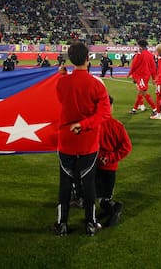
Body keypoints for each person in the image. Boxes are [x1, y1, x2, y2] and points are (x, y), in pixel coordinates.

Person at [53, 42, 111, 237]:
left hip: (66, 140)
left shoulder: (61, 83)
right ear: (88, 59)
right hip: (88, 141)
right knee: (88, 183)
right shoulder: (96, 84)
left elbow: (64, 97)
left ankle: (61, 224)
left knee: (65, 183)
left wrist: (64, 76)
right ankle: (90, 224)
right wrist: (84, 124)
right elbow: (104, 113)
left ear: (70, 59)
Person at [96, 95, 132, 227]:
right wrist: (111, 158)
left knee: (100, 196)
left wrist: (101, 157)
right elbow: (127, 147)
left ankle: (116, 209)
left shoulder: (94, 125)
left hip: (96, 165)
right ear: (110, 107)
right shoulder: (117, 126)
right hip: (110, 167)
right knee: (103, 195)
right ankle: (107, 211)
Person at [127, 39, 156, 115]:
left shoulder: (140, 54)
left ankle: (155, 109)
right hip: (146, 76)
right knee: (140, 92)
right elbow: (153, 67)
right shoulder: (150, 54)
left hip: (141, 76)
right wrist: (153, 78)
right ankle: (134, 109)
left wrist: (130, 73)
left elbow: (134, 65)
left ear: (140, 46)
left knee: (143, 92)